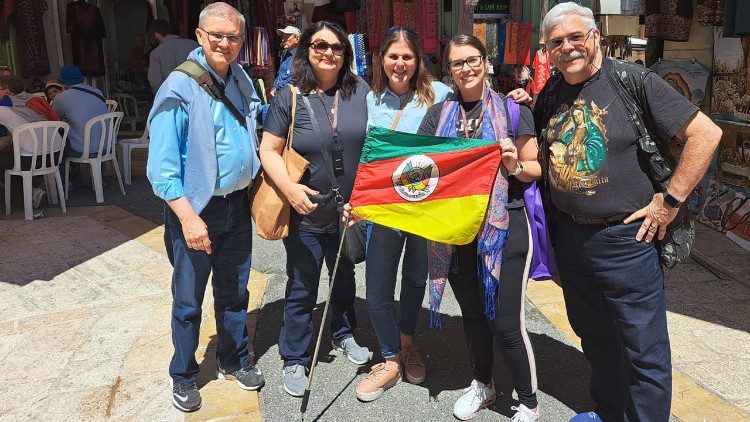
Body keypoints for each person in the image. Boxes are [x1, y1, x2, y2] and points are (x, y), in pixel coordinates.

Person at [533, 4, 722, 421]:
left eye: (575, 37)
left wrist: (669, 202)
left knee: (643, 349)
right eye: (556, 42)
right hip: (571, 237)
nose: (567, 47)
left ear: (595, 35)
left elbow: (706, 134)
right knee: (594, 336)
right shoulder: (550, 93)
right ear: (547, 50)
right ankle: (609, 411)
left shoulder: (632, 80)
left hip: (626, 241)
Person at [146, 2, 265, 412]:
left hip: (237, 206)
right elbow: (161, 169)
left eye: (233, 36)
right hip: (196, 211)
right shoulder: (179, 87)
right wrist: (188, 218)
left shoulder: (242, 77)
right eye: (216, 35)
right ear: (199, 36)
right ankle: (183, 373)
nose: (225, 43)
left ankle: (233, 359)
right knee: (188, 300)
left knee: (234, 292)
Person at [417, 34, 542, 421]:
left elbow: (535, 168)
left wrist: (513, 166)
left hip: (505, 224)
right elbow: (415, 171)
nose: (466, 69)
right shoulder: (438, 115)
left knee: (504, 322)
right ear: (448, 70)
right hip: (456, 229)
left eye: (473, 60)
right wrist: (371, 204)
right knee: (472, 314)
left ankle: (529, 402)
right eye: (457, 63)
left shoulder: (513, 110)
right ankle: (483, 385)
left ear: (485, 61)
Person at [259, 21, 371, 398]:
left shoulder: (361, 92)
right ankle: (295, 356)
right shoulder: (288, 96)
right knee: (303, 284)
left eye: (337, 47)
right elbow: (268, 151)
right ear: (306, 49)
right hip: (305, 210)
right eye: (320, 45)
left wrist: (366, 199)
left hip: (349, 210)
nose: (328, 52)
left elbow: (376, 147)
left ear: (346, 53)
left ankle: (343, 332)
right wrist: (290, 191)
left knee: (344, 276)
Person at [353, 25, 452, 403]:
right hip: (382, 210)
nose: (400, 63)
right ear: (381, 59)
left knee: (413, 279)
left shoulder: (440, 95)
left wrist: (516, 101)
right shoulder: (368, 97)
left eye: (407, 56)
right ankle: (390, 357)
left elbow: (478, 105)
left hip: (424, 209)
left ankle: (408, 341)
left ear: (418, 60)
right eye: (393, 55)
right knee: (378, 283)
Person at [52, 65, 107, 160]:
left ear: (62, 83)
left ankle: (64, 175)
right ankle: (98, 173)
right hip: (107, 145)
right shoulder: (97, 91)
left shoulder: (61, 97)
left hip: (83, 150)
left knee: (56, 149)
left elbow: (54, 119)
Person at [147, 19, 200, 93]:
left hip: (172, 96)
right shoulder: (193, 44)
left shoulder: (156, 53)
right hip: (196, 93)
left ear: (156, 34)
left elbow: (155, 82)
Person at [269, 25, 301, 100]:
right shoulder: (284, 54)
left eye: (287, 36)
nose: (283, 39)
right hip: (281, 96)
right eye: (283, 37)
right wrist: (274, 87)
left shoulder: (301, 55)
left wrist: (277, 88)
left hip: (292, 97)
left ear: (297, 39)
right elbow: (280, 74)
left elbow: (295, 77)